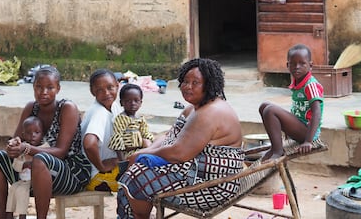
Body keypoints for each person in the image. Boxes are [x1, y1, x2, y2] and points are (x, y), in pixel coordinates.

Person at [117, 58, 246, 219]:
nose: (187, 87)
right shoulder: (193, 109)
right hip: (194, 174)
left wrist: (142, 155)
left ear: (209, 85)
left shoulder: (210, 113)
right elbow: (169, 137)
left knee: (137, 175)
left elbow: (179, 153)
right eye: (185, 81)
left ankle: (139, 216)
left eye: (195, 83)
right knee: (136, 167)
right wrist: (146, 151)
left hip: (213, 186)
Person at [0, 66, 91, 219]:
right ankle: (4, 216)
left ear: (58, 88)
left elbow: (61, 152)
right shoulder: (31, 108)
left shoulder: (67, 108)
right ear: (33, 87)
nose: (44, 92)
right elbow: (17, 141)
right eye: (39, 87)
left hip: (70, 172)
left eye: (50, 87)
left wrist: (28, 148)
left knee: (40, 160)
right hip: (30, 175)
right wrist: (13, 147)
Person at [259, 43, 324, 161]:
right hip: (300, 127)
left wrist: (308, 141)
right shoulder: (297, 82)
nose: (297, 67)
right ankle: (275, 148)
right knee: (264, 106)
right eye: (293, 64)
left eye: (302, 63)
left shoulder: (311, 84)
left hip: (308, 133)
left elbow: (317, 113)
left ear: (310, 65)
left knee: (270, 110)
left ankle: (278, 151)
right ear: (287, 65)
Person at [81, 68, 123, 192]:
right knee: (138, 182)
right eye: (99, 90)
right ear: (92, 92)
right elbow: (89, 144)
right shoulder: (99, 113)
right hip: (95, 176)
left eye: (110, 87)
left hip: (106, 170)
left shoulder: (114, 107)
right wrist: (101, 166)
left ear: (117, 86)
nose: (106, 93)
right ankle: (128, 212)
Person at [6, 116, 49, 219]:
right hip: (23, 180)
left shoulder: (45, 148)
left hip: (36, 182)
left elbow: (48, 162)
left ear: (42, 134)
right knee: (13, 188)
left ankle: (22, 215)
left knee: (22, 191)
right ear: (23, 135)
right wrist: (24, 165)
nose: (33, 136)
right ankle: (8, 213)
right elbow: (15, 166)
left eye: (36, 132)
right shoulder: (21, 149)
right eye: (29, 133)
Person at [108, 83, 154, 161]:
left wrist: (148, 143)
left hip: (142, 150)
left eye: (136, 100)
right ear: (121, 102)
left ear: (141, 102)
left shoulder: (140, 118)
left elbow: (145, 134)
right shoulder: (121, 119)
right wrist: (123, 162)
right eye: (128, 101)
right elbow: (117, 138)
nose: (133, 103)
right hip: (128, 154)